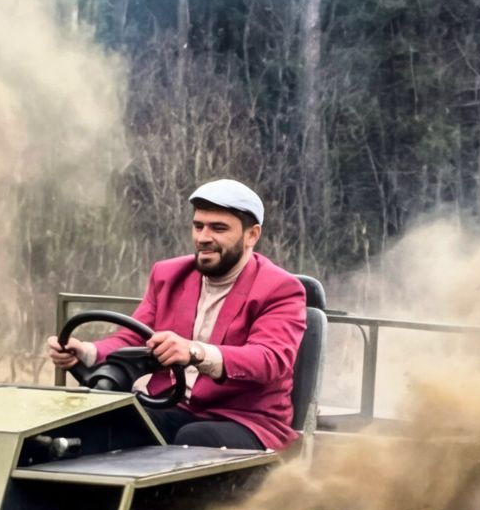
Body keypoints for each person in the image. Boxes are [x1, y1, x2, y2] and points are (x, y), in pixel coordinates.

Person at [45, 179, 307, 450]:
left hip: (246, 419)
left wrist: (196, 352)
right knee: (95, 422)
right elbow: (134, 336)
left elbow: (270, 359)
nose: (203, 237)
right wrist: (86, 352)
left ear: (252, 235)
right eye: (198, 226)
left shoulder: (280, 288)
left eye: (218, 228)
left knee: (195, 441)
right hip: (173, 405)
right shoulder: (168, 275)